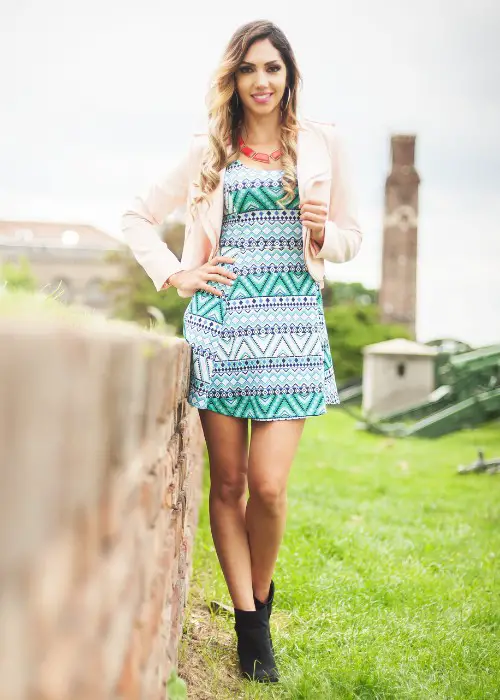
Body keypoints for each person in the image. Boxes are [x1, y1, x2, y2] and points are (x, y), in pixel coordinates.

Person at [121, 19, 363, 684]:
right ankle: (251, 628)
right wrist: (177, 274)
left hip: (292, 328)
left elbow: (353, 237)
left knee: (271, 488)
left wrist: (325, 236)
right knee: (228, 486)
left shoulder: (323, 144)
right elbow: (137, 215)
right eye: (250, 69)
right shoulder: (209, 150)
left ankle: (258, 597)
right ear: (235, 78)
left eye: (273, 69)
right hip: (221, 329)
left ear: (289, 77)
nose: (262, 81)